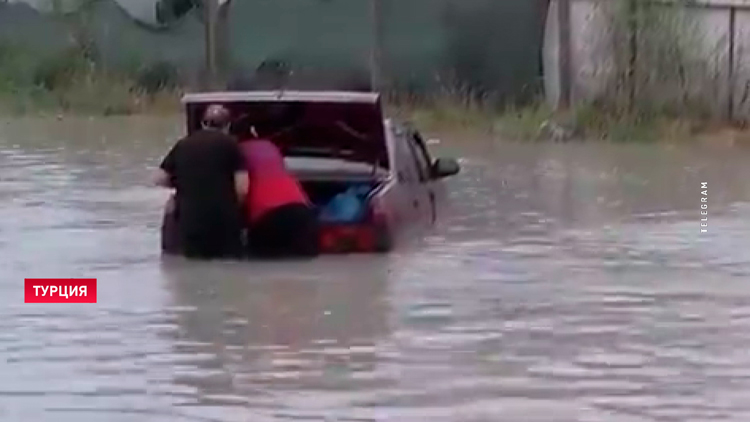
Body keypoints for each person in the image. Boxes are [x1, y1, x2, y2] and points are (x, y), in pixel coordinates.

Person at [154, 104, 249, 260]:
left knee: (195, 271)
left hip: (191, 223)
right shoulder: (231, 145)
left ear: (203, 123)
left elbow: (158, 178)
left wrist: (183, 183)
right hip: (223, 223)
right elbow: (243, 189)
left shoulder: (183, 144)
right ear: (228, 125)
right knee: (229, 271)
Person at [238, 124, 319, 258]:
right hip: (302, 213)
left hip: (268, 217)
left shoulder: (238, 151)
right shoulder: (271, 147)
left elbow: (241, 189)